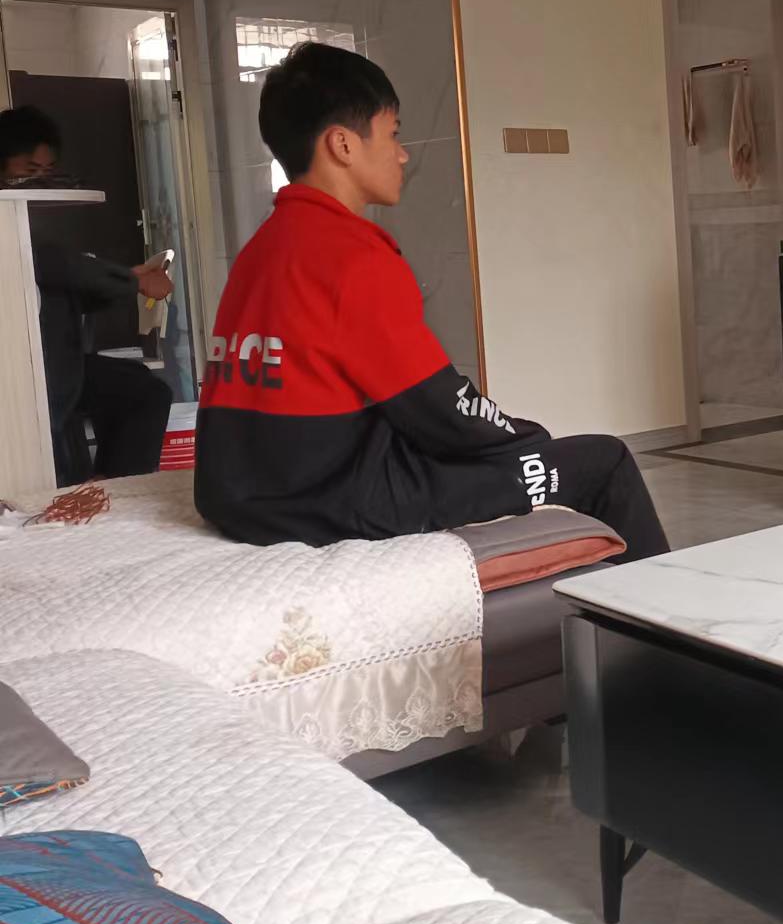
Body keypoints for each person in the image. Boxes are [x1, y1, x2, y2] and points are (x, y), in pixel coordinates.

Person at [194, 42, 669, 556]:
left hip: (237, 496)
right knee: (604, 462)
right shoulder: (353, 256)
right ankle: (666, 610)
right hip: (330, 499)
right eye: (392, 134)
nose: (402, 154)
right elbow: (441, 410)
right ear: (343, 145)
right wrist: (528, 442)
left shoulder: (262, 248)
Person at [1, 106, 173, 485]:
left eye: (47, 171)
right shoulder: (8, 229)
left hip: (58, 362)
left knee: (143, 390)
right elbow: (51, 263)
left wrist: (125, 278)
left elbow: (65, 286)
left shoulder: (26, 223)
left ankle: (112, 488)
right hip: (25, 374)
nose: (40, 181)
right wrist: (133, 282)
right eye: (29, 170)